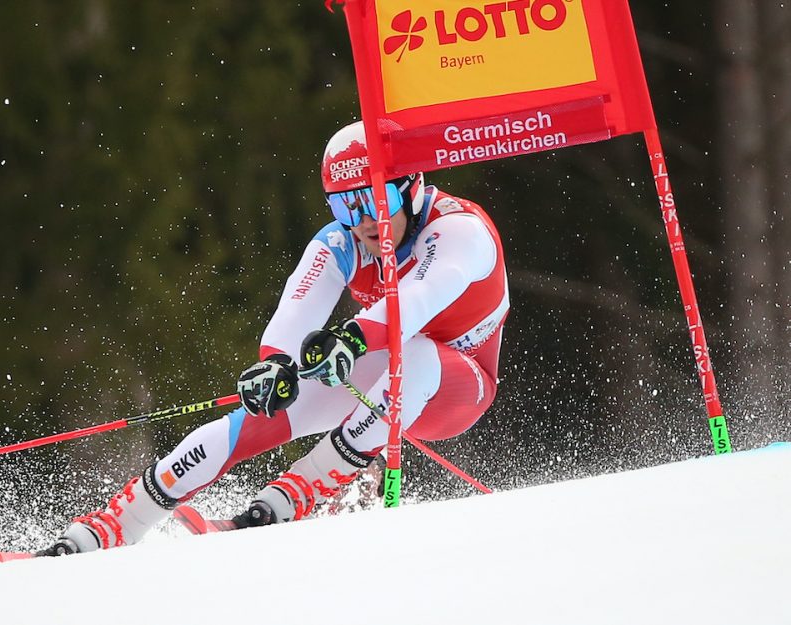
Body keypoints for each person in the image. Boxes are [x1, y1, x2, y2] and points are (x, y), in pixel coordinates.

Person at [37, 120, 508, 555]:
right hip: (384, 379)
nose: (363, 221)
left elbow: (416, 302)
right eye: (347, 204)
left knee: (418, 354)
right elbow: (296, 309)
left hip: (457, 387)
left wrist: (352, 336)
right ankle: (110, 526)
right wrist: (276, 361)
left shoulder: (460, 231)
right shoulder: (343, 241)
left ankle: (296, 493)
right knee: (273, 402)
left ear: (410, 187)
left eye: (375, 200)